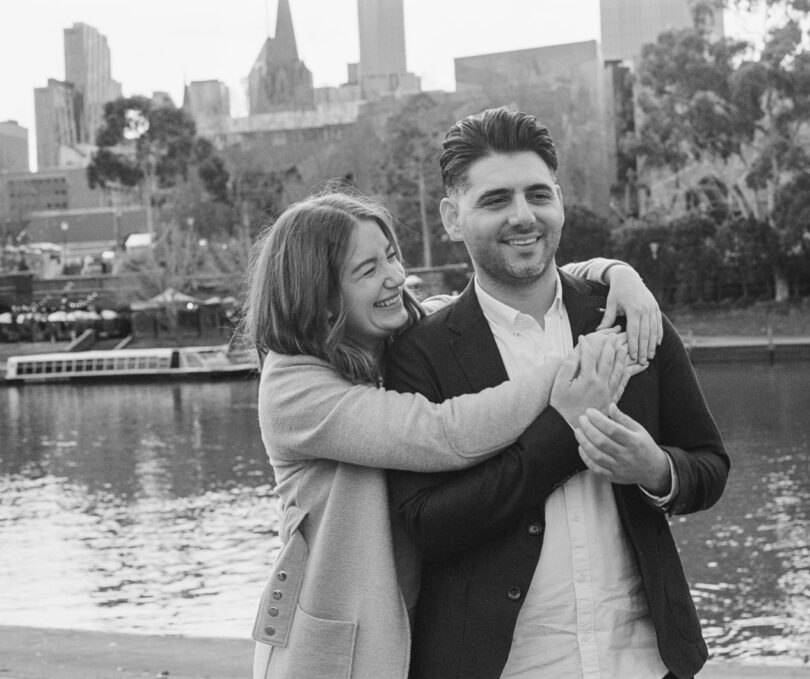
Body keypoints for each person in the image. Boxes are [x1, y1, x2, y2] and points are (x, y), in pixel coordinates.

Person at [243, 190, 663, 679]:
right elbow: (445, 434)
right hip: (332, 654)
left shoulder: (400, 333)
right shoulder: (292, 388)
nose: (396, 278)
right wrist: (566, 373)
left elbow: (519, 281)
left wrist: (617, 274)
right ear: (318, 297)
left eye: (392, 255)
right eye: (367, 270)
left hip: (411, 636)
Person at [386, 107, 730, 679]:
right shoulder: (417, 352)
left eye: (538, 195)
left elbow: (710, 466)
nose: (524, 216)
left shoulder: (631, 318)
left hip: (645, 660)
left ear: (560, 200)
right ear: (452, 217)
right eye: (496, 200)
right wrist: (563, 431)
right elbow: (427, 525)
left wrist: (655, 470)